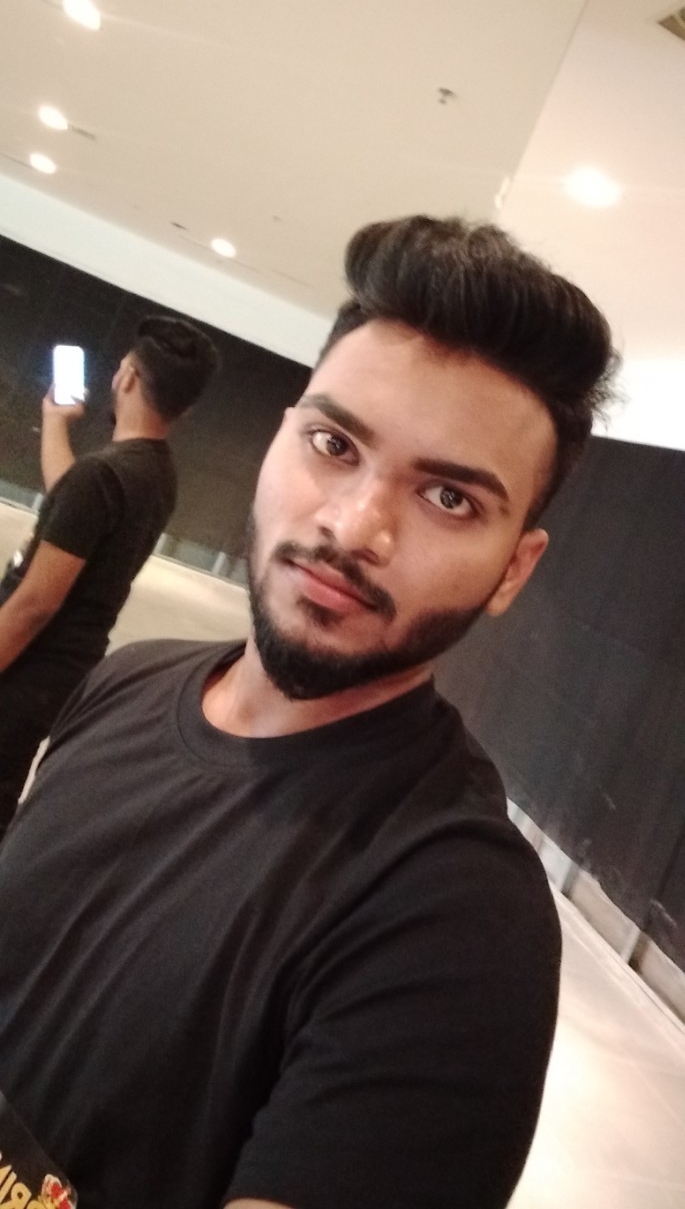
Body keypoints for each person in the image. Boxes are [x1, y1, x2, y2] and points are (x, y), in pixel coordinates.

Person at [0, 217, 618, 1209]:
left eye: (449, 499)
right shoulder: (125, 686)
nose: (352, 525)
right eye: (334, 444)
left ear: (513, 569)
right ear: (281, 433)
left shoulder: (455, 919)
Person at [0, 314, 219, 837]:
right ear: (185, 408)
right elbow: (73, 508)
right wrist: (55, 422)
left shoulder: (105, 473)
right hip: (62, 671)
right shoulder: (153, 472)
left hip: (26, 666)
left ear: (127, 377)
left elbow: (35, 605)